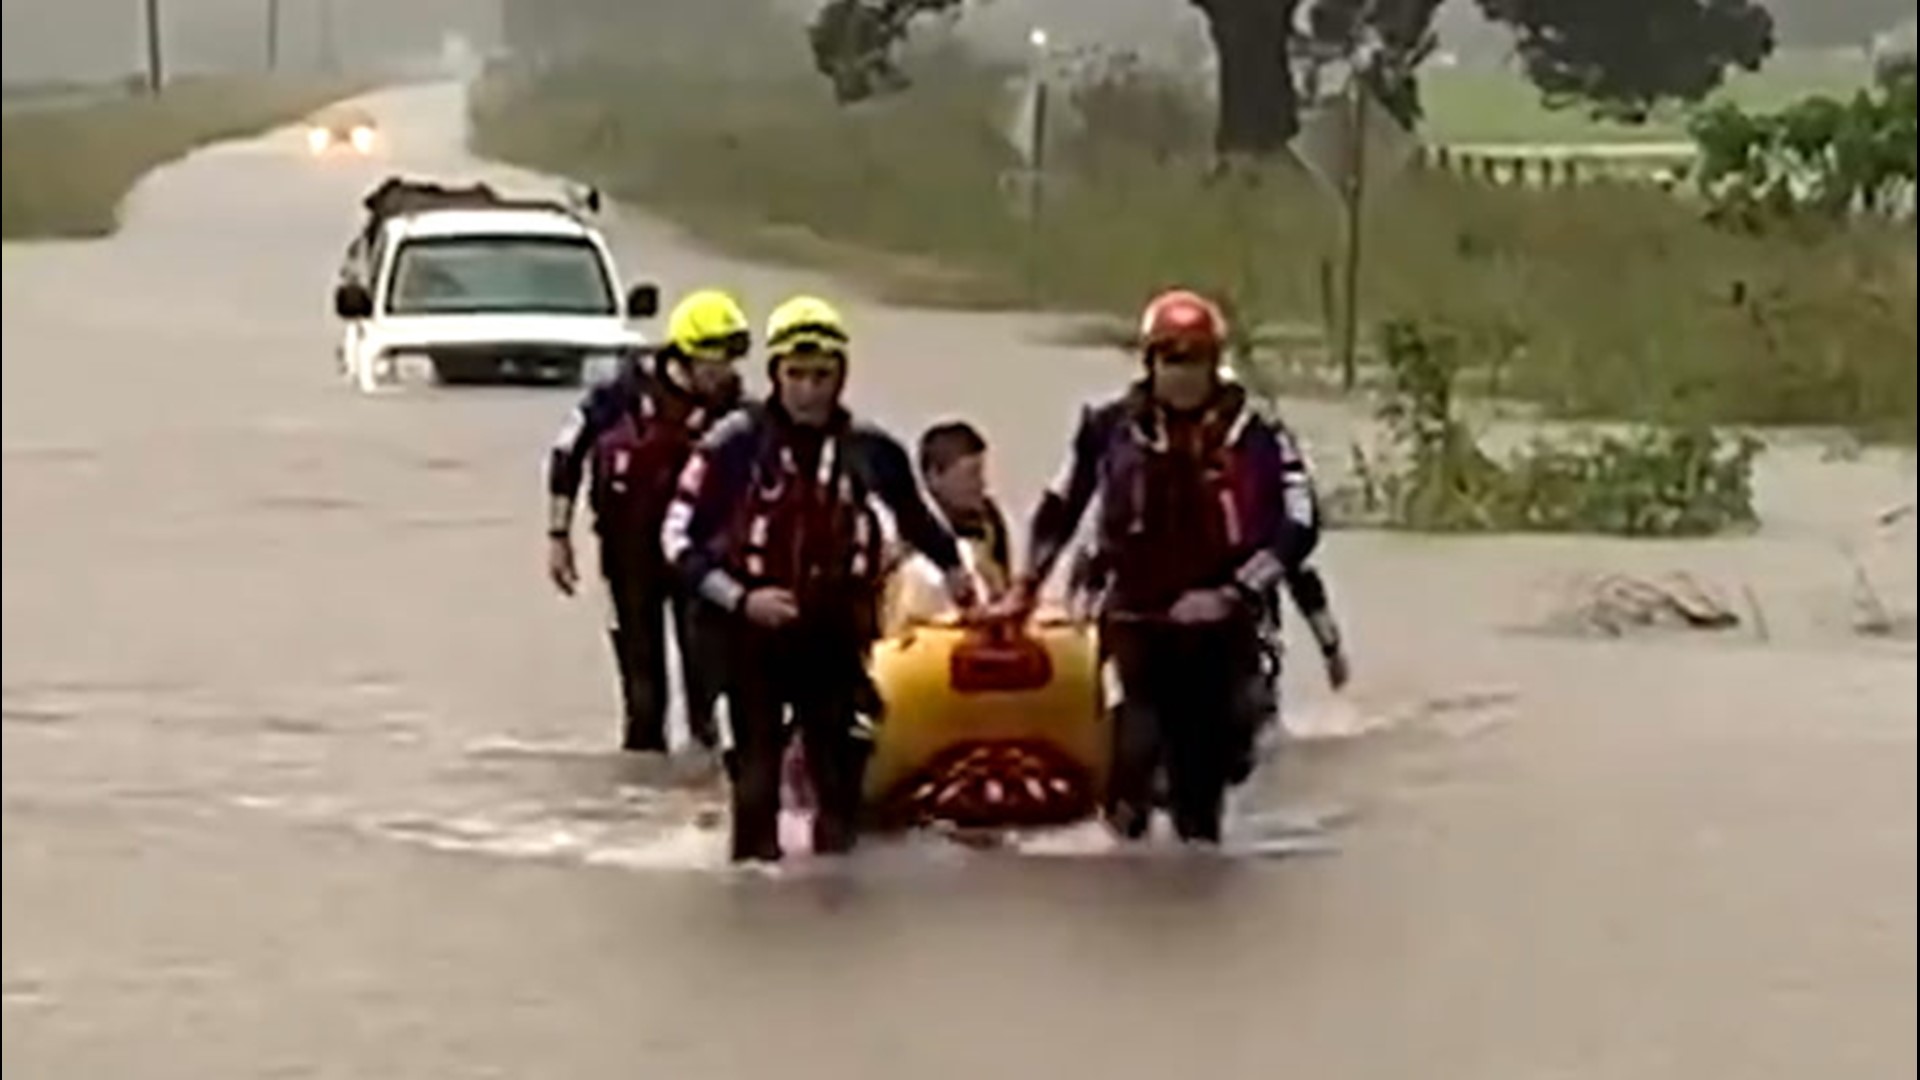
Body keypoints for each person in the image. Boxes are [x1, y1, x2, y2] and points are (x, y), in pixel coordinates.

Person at [662, 295, 978, 864]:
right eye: (797, 375)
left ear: (842, 376)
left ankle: (834, 905)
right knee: (756, 789)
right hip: (749, 638)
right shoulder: (733, 445)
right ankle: (755, 898)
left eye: (822, 376)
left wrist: (960, 578)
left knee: (841, 785)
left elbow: (918, 521)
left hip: (832, 634)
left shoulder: (871, 449)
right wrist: (743, 599)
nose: (809, 389)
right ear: (775, 375)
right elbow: (677, 539)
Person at [1006, 288, 1320, 844]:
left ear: (1214, 364)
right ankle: (1136, 889)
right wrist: (1028, 584)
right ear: (1148, 363)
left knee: (1202, 793)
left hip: (1221, 630)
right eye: (1168, 359)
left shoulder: (1257, 435)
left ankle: (1201, 877)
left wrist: (1233, 593)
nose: (1180, 375)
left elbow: (1300, 522)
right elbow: (1062, 507)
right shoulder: (1108, 429)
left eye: (1193, 360)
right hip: (1136, 621)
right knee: (1131, 763)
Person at [544, 288, 749, 754]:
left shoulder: (734, 411)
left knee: (706, 683)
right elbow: (566, 454)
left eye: (732, 361)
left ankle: (702, 785)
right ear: (686, 356)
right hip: (628, 555)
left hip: (698, 560)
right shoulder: (620, 395)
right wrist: (558, 535)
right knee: (644, 693)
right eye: (717, 361)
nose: (726, 373)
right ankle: (640, 792)